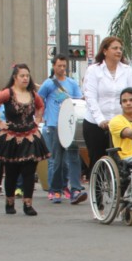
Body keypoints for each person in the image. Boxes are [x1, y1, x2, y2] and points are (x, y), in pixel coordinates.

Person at [0, 64, 50, 216]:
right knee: (12, 171)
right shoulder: (8, 93)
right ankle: (10, 202)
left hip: (30, 136)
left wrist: (38, 119)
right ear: (15, 77)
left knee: (29, 171)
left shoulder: (33, 94)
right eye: (22, 76)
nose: (25, 78)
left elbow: (41, 106)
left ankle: (28, 204)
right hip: (11, 137)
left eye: (27, 75)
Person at [82, 36, 132, 177]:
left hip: (120, 123)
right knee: (98, 159)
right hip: (96, 123)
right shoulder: (94, 70)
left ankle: (122, 194)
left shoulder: (127, 70)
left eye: (120, 48)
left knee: (122, 160)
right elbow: (90, 97)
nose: (118, 51)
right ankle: (98, 195)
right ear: (105, 51)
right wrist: (100, 120)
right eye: (114, 48)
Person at [38, 54, 87, 205]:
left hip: (70, 125)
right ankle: (55, 189)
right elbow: (39, 101)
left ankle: (76, 189)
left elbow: (78, 101)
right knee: (56, 160)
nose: (62, 69)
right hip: (53, 125)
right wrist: (41, 117)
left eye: (64, 66)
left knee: (73, 158)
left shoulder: (72, 84)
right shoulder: (48, 84)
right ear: (53, 66)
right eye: (59, 66)